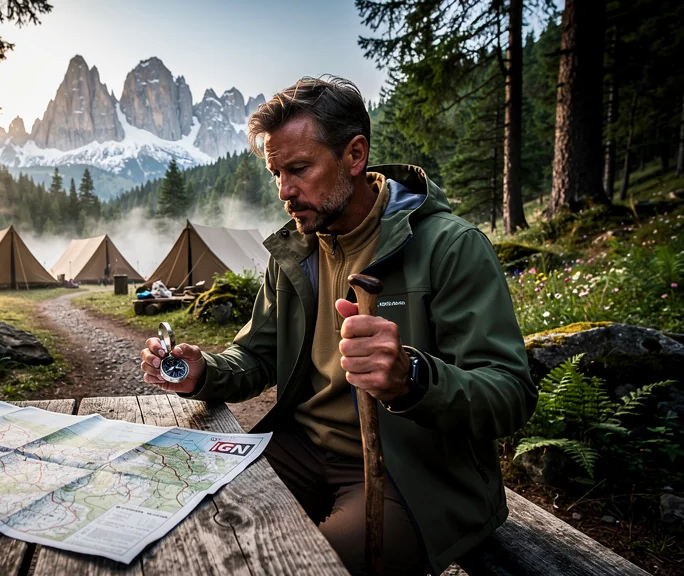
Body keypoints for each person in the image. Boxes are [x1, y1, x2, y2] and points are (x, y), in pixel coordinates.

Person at [138, 76, 536, 576]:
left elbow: (510, 394)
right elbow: (257, 355)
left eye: (299, 169)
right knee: (185, 530)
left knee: (300, 568)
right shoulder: (295, 250)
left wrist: (413, 377)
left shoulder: (449, 247)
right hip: (299, 449)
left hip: (404, 474)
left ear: (354, 155)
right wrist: (205, 373)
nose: (285, 190)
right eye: (275, 173)